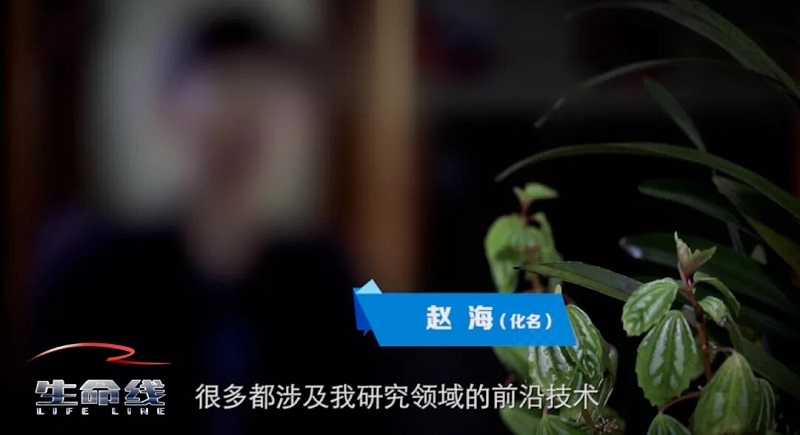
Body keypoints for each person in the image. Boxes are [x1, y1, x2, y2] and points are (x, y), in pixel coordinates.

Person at [24, 11, 382, 434]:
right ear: (170, 105)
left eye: (269, 92)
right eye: (228, 85)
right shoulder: (95, 275)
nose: (249, 113)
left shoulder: (328, 277)